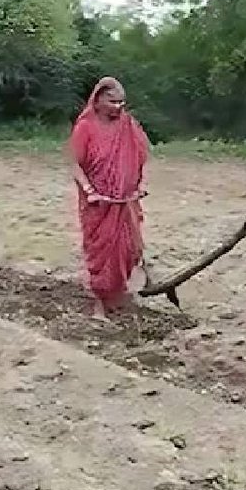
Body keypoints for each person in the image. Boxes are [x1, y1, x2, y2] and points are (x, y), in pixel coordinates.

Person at [67, 77, 151, 313]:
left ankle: (119, 293)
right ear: (98, 100)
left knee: (129, 249)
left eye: (122, 102)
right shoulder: (85, 127)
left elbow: (141, 155)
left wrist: (140, 184)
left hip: (126, 202)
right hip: (99, 205)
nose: (119, 107)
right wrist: (89, 191)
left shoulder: (128, 125)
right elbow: (75, 164)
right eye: (113, 102)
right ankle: (100, 301)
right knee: (101, 254)